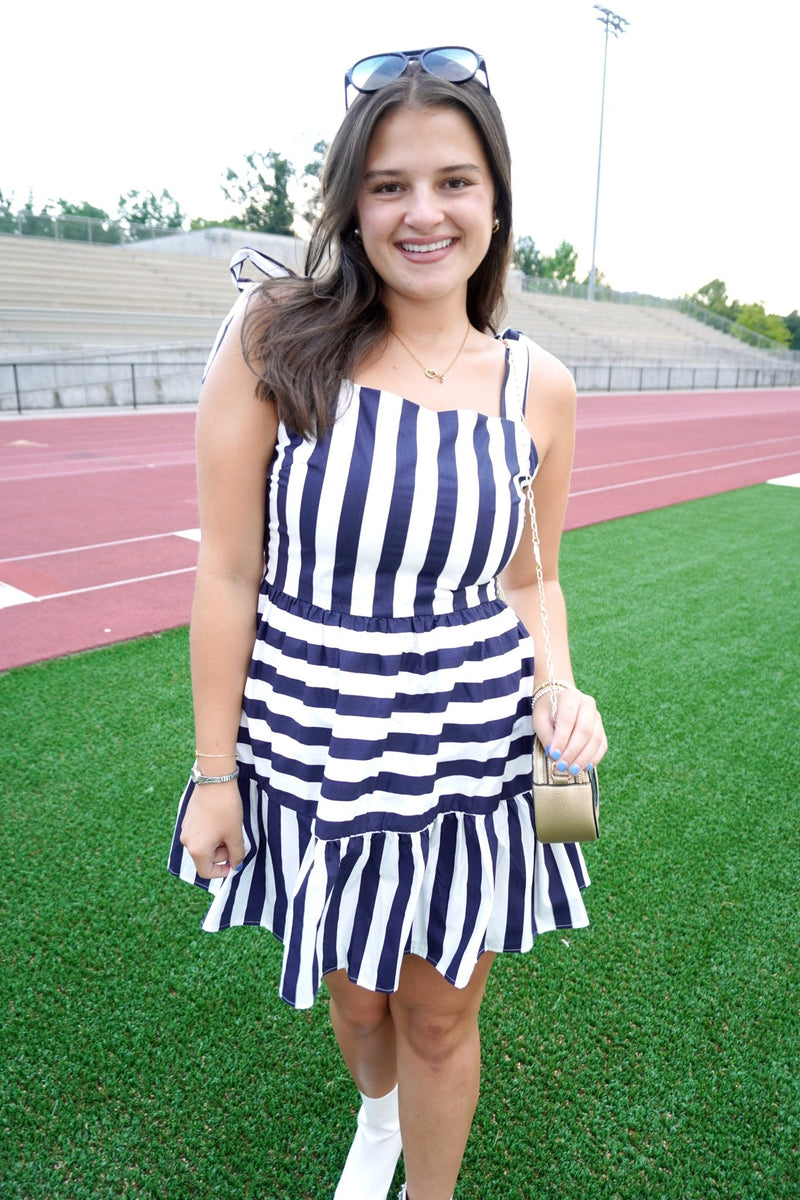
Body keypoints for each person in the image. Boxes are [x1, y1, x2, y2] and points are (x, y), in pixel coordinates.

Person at [169, 45, 607, 1200]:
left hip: (468, 747)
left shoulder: (538, 387)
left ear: (494, 200)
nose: (422, 212)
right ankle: (377, 1119)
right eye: (388, 185)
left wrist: (557, 686)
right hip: (311, 742)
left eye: (453, 181)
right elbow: (227, 572)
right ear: (351, 204)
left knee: (439, 1014)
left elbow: (532, 582)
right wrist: (214, 774)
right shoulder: (275, 335)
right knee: (358, 999)